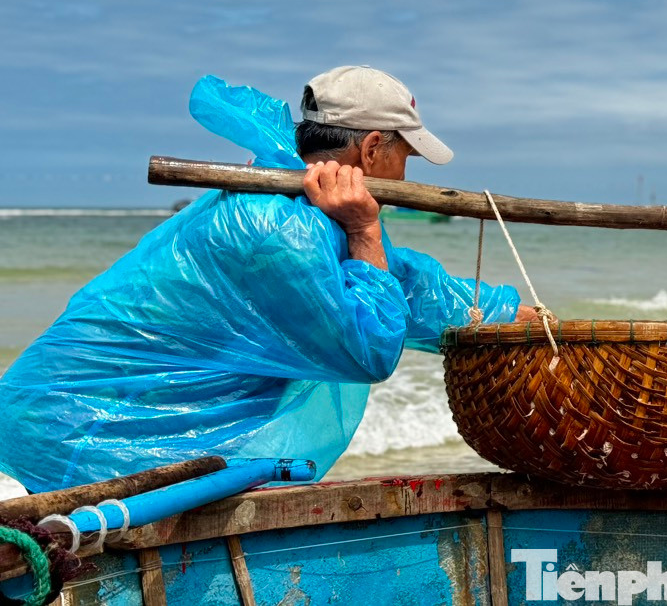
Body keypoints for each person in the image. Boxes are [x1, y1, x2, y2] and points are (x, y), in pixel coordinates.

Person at [0, 65, 531, 492]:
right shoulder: (278, 228)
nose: (405, 178)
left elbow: (402, 286)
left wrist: (506, 314)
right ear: (371, 150)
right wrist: (366, 227)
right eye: (405, 158)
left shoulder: (309, 215)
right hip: (71, 440)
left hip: (81, 431)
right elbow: (368, 349)